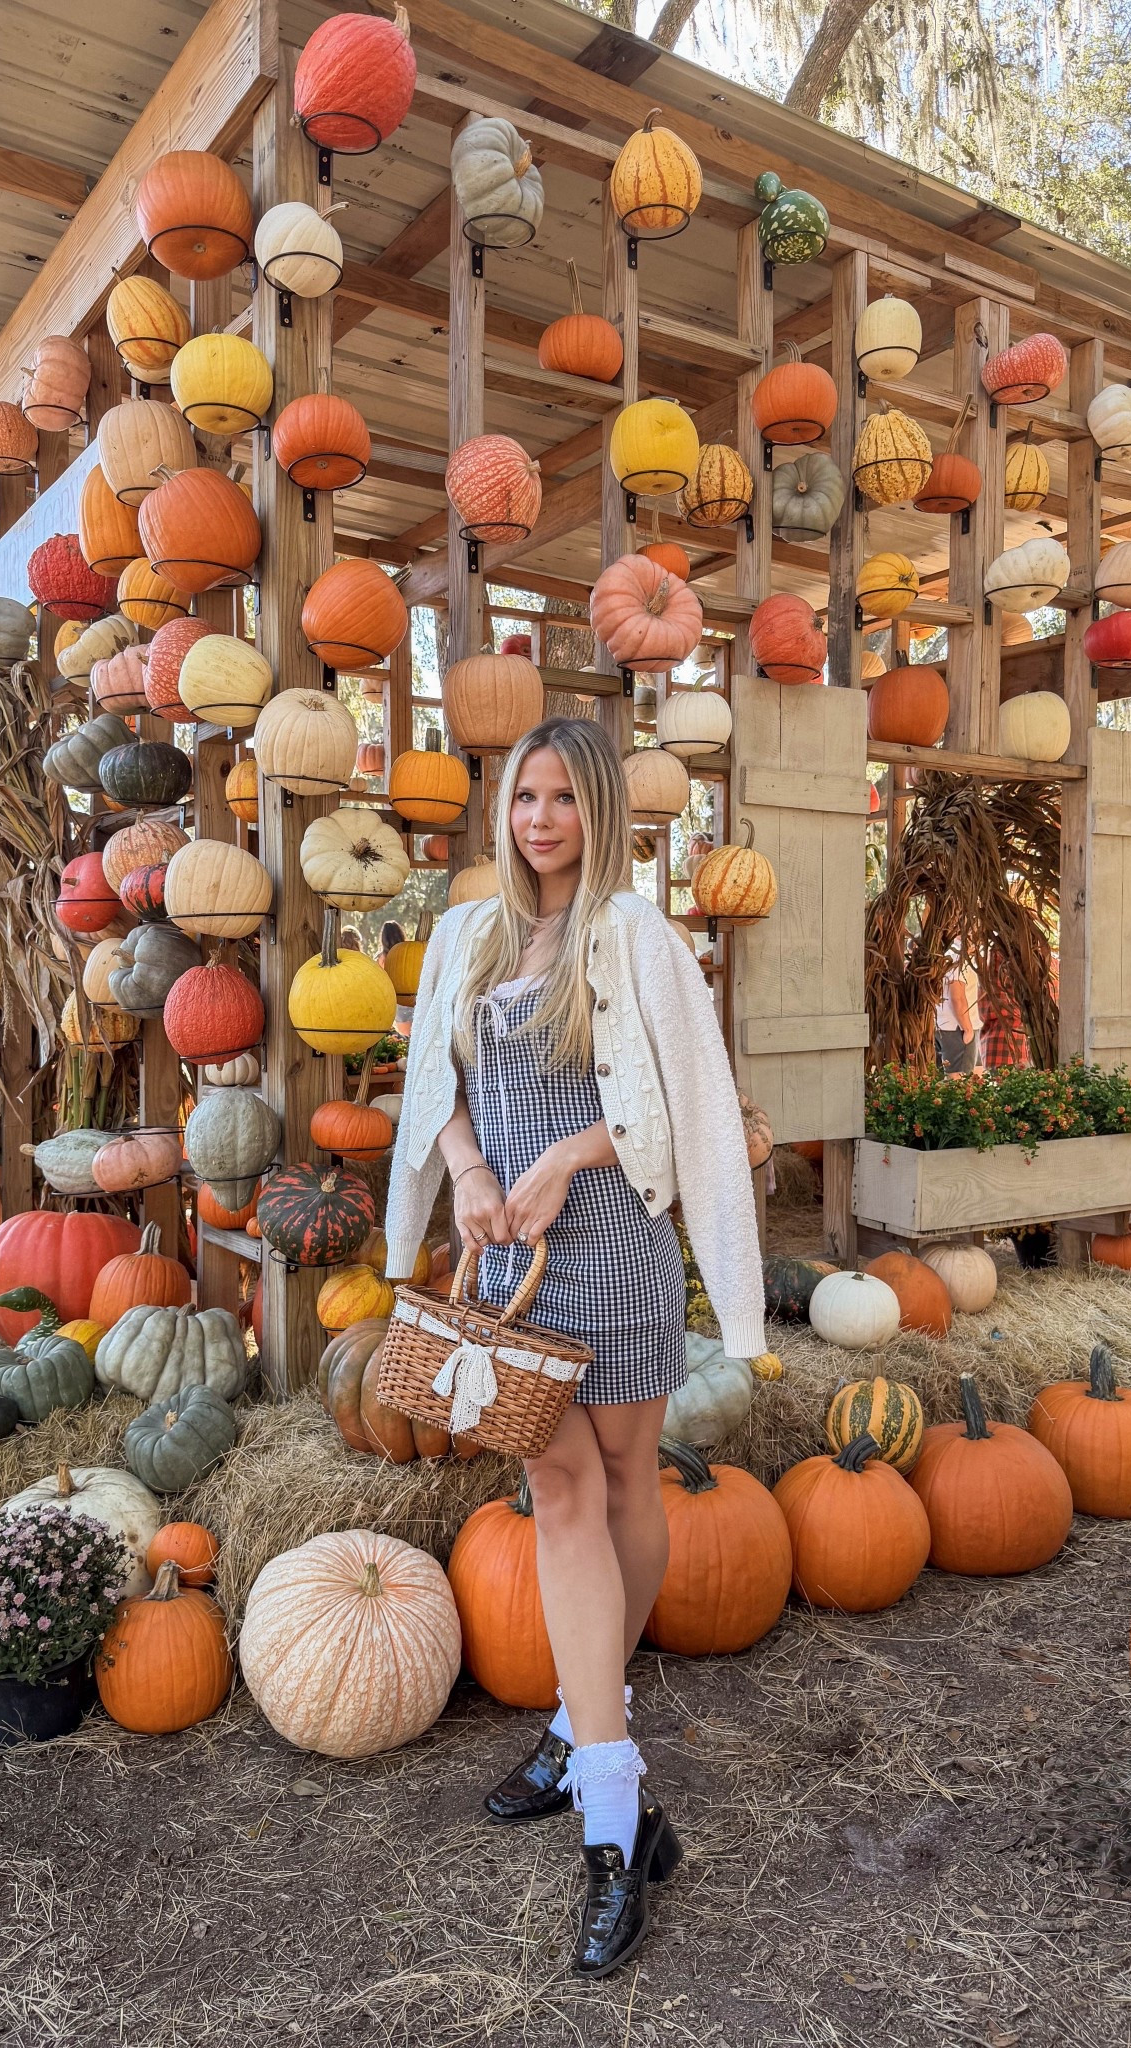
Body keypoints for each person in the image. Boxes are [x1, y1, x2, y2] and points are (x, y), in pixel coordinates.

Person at [384, 717, 763, 1977]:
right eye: (524, 796)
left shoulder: (638, 936)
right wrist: (480, 1169)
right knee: (556, 1492)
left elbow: (677, 1092)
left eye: (563, 797)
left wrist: (560, 1157)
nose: (540, 817)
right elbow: (430, 1085)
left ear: (601, 808)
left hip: (611, 1246)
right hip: (512, 1260)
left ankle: (575, 1721)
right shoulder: (468, 935)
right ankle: (615, 1816)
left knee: (622, 1485)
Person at [936, 946, 979, 1073]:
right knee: (959, 1079)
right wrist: (967, 1028)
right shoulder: (958, 957)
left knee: (942, 1080)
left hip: (941, 1024)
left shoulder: (945, 954)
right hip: (957, 1028)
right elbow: (957, 997)